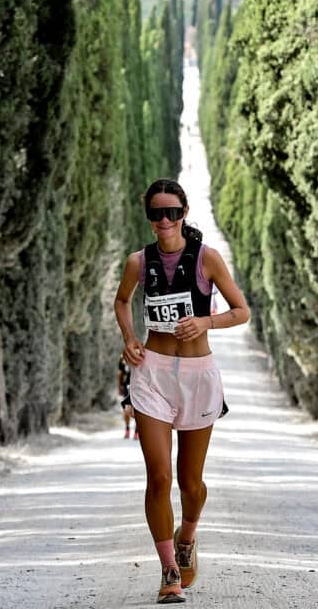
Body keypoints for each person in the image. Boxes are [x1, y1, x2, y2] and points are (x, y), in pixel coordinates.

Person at [114, 178, 250, 604]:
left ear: (184, 213)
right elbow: (121, 301)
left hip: (197, 375)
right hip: (152, 374)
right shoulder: (138, 262)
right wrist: (130, 336)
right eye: (157, 213)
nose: (165, 220)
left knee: (191, 483)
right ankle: (169, 571)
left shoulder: (207, 259)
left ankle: (187, 533)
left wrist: (207, 322)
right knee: (159, 477)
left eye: (172, 212)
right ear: (149, 218)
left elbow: (242, 311)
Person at [117, 354, 138, 439]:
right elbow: (120, 373)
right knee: (127, 409)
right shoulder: (123, 357)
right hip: (127, 386)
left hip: (138, 387)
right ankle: (127, 429)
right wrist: (119, 387)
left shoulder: (143, 356)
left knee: (138, 409)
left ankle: (136, 431)